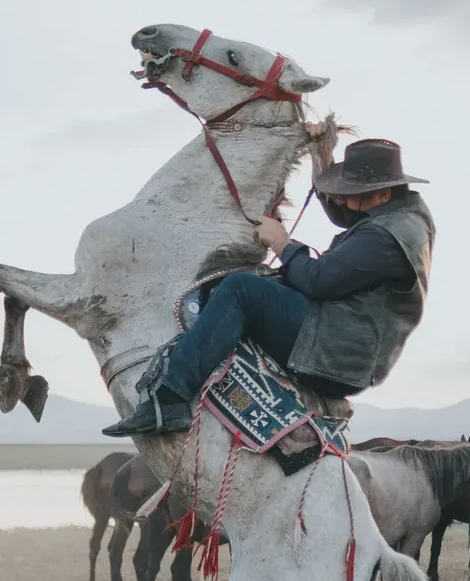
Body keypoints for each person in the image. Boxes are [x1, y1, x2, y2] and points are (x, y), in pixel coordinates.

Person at [103, 137, 434, 437]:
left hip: (332, 351)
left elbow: (317, 280)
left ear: (381, 193)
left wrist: (282, 244)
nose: (344, 202)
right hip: (343, 345)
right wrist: (322, 160)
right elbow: (347, 218)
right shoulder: (400, 218)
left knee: (240, 289)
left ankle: (170, 399)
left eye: (353, 195)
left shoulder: (384, 237)